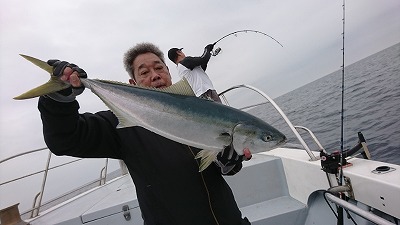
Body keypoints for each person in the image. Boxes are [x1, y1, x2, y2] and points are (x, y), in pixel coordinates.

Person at [38, 42, 251, 225]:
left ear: (169, 73)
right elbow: (65, 140)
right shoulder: (123, 124)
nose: (155, 75)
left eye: (159, 68)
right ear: (134, 83)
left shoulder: (202, 111)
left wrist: (229, 162)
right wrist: (59, 100)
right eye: (144, 72)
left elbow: (224, 169)